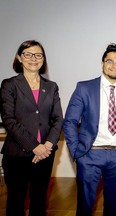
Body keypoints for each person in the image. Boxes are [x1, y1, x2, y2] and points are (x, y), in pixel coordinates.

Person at [63, 43, 116, 216]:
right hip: (90, 155)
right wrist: (77, 152)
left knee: (113, 207)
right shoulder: (84, 88)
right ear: (102, 64)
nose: (115, 65)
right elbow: (69, 121)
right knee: (85, 206)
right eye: (110, 61)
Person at [0, 40, 63, 216]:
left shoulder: (51, 87)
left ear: (43, 59)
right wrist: (35, 147)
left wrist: (47, 146)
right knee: (15, 202)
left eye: (38, 55)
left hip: (45, 155)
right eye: (28, 54)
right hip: (17, 155)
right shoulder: (9, 85)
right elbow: (9, 120)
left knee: (39, 201)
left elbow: (58, 119)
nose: (33, 58)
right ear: (19, 58)